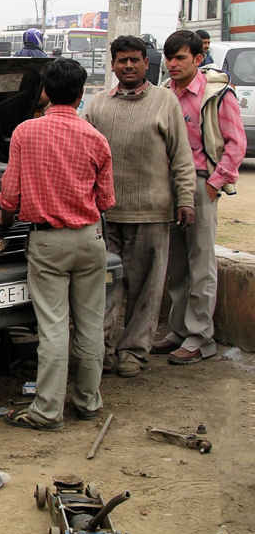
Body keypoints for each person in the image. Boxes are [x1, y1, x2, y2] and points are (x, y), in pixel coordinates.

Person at [0, 58, 115, 430]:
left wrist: (3, 218)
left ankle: (47, 412)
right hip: (91, 240)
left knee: (54, 329)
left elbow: (9, 197)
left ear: (45, 91)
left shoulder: (26, 133)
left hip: (47, 244)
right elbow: (106, 201)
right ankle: (88, 402)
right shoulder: (96, 138)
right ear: (80, 94)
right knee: (91, 325)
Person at [83, 35, 196, 378]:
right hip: (105, 217)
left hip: (151, 213)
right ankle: (97, 352)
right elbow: (81, 154)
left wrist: (186, 199)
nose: (128, 66)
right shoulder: (98, 105)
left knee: (147, 290)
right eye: (122, 60)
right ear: (113, 64)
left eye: (135, 59)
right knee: (103, 288)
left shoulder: (165, 102)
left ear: (147, 63)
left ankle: (132, 352)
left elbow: (181, 157)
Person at [153, 29, 247, 364]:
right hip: (170, 184)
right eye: (169, 57)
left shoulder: (217, 94)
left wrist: (213, 184)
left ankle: (200, 337)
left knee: (201, 262)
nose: (173, 64)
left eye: (180, 57)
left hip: (201, 182)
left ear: (197, 58)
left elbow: (236, 145)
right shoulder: (165, 93)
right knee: (176, 261)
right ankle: (178, 330)